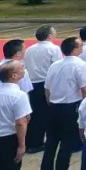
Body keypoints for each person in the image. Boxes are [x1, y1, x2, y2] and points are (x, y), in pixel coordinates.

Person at [42, 37, 86, 170]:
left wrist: (51, 104)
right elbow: (85, 90)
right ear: (75, 49)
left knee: (50, 145)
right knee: (66, 145)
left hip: (53, 107)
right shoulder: (80, 64)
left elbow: (47, 89)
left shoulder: (55, 65)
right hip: (70, 108)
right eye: (80, 45)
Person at [23, 25, 61, 153]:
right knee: (45, 113)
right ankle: (37, 142)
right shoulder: (53, 49)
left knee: (35, 113)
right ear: (49, 35)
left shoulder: (30, 49)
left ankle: (32, 140)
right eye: (53, 31)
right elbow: (57, 67)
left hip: (32, 83)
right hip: (45, 83)